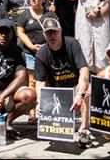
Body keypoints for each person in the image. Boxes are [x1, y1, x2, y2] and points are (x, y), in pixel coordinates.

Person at [34, 17, 92, 147]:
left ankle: (84, 129)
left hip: (75, 86)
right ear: (44, 34)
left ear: (60, 31)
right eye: (49, 33)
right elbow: (40, 82)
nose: (52, 36)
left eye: (55, 32)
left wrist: (80, 94)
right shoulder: (41, 53)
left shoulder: (72, 44)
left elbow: (84, 70)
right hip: (56, 92)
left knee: (87, 90)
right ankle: (55, 127)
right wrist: (40, 102)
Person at [16, 0, 57, 91]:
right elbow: (20, 32)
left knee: (48, 79)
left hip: (48, 52)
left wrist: (48, 46)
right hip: (30, 53)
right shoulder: (24, 15)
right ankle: (33, 107)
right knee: (33, 81)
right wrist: (31, 46)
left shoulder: (50, 14)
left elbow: (57, 32)